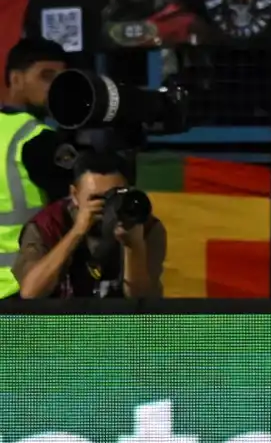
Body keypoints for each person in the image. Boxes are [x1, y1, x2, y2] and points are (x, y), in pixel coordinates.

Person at [13, 150, 165, 299]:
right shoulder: (47, 226)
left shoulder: (146, 227)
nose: (108, 206)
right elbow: (30, 293)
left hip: (117, 322)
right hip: (60, 321)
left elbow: (145, 305)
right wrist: (76, 232)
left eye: (115, 196)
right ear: (74, 195)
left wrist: (134, 247)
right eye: (96, 199)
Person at [0, 37, 73, 298]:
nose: (56, 87)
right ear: (16, 79)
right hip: (23, 288)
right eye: (46, 76)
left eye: (62, 78)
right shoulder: (36, 138)